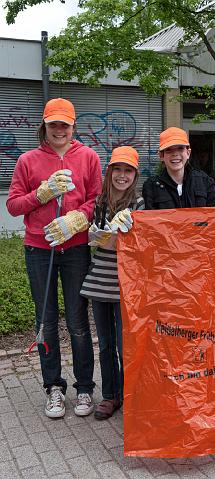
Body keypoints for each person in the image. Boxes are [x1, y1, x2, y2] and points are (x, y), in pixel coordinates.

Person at [6, 98, 102, 418]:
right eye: (53, 124)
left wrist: (77, 219)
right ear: (44, 127)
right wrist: (41, 194)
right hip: (38, 249)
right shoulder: (27, 160)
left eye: (64, 124)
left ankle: (85, 388)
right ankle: (54, 389)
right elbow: (14, 205)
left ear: (73, 126)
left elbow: (96, 200)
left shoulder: (88, 157)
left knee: (77, 321)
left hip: (75, 249)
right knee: (46, 322)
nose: (59, 130)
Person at [80, 146, 144, 420]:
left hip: (125, 285)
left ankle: (130, 394)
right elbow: (92, 240)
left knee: (124, 344)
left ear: (134, 174)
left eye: (127, 170)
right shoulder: (100, 202)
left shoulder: (139, 204)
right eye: (117, 169)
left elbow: (142, 246)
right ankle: (110, 395)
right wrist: (96, 235)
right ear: (109, 173)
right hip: (99, 282)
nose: (122, 175)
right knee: (105, 343)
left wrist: (124, 238)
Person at [142, 127, 215, 209]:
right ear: (161, 156)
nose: (175, 154)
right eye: (169, 150)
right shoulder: (151, 186)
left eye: (180, 148)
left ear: (188, 153)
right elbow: (151, 220)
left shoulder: (204, 181)